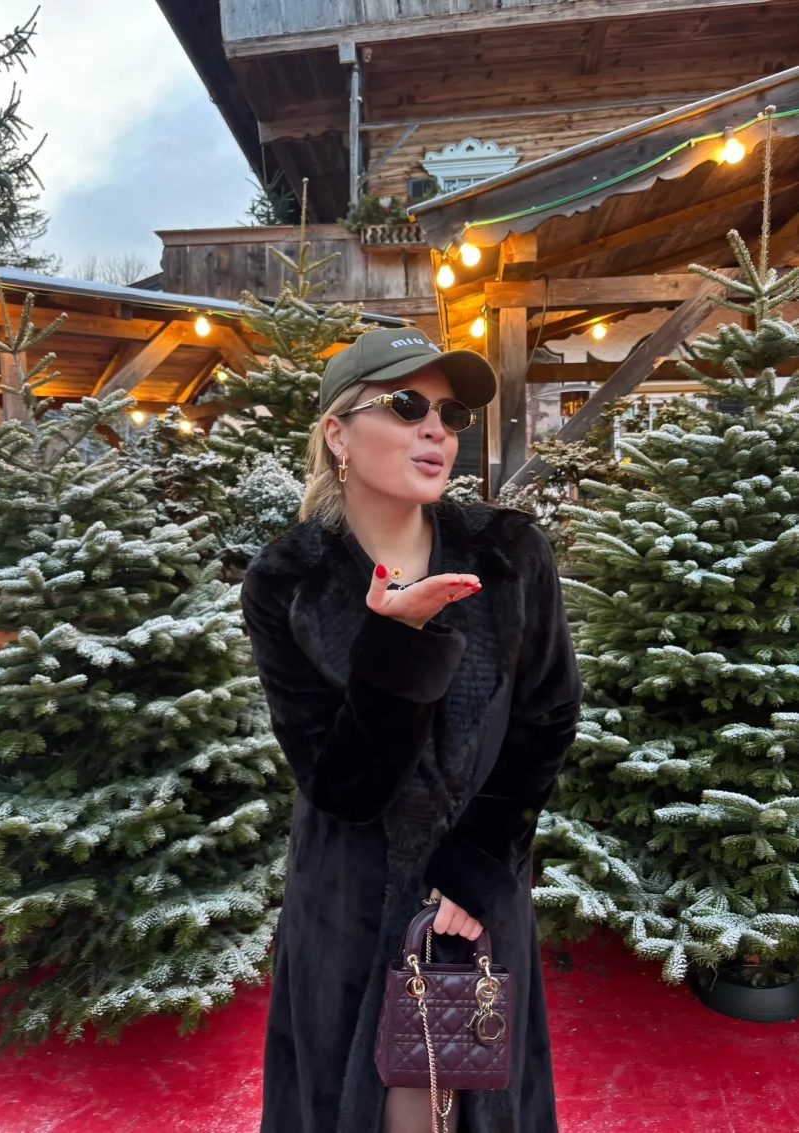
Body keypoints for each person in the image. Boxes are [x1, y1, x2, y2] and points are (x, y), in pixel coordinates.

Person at [241, 328, 584, 1133]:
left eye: (451, 413)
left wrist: (476, 868)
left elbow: (548, 714)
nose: (437, 429)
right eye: (405, 405)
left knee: (480, 1103)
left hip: (478, 893)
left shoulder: (509, 553)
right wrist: (398, 644)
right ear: (338, 433)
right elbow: (340, 784)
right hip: (350, 902)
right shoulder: (289, 580)